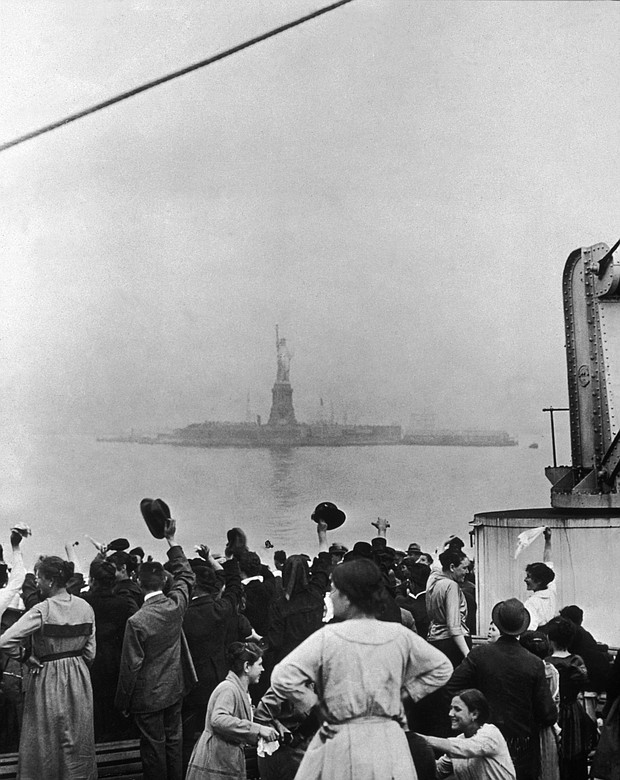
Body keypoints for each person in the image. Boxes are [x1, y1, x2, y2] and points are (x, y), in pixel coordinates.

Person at [269, 557, 453, 780]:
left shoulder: (328, 637)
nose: (331, 596)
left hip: (341, 735)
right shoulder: (398, 634)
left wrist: (315, 706)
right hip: (387, 736)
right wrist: (408, 694)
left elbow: (282, 676)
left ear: (347, 598)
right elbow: (442, 668)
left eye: (334, 590)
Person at [0, 555, 97, 779]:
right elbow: (90, 652)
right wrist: (76, 667)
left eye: (39, 578)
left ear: (51, 581)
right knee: (76, 739)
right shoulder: (85, 607)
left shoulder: (42, 610)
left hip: (47, 675)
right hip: (79, 677)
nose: (36, 582)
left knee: (46, 740)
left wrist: (24, 656)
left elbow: (5, 641)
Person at [115, 518, 197, 780]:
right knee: (174, 741)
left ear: (139, 584)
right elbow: (186, 575)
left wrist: (122, 702)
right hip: (175, 688)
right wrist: (171, 540)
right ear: (164, 581)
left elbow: (131, 666)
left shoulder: (137, 621)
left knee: (153, 748)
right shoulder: (176, 606)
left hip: (148, 698)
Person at [446, 598, 557, 780]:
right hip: (521, 743)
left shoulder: (479, 655)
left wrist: (474, 713)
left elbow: (452, 687)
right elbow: (547, 713)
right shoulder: (534, 663)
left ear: (497, 623)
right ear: (522, 627)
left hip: (482, 737)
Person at [182, 545, 243, 770]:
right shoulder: (222, 609)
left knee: (190, 735)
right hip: (219, 677)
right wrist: (212, 559)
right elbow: (234, 585)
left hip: (192, 681)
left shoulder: (182, 614)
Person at [185, 642, 279, 780]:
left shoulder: (241, 690)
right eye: (259, 664)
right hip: (214, 762)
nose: (263, 669)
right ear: (247, 666)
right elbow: (218, 719)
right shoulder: (228, 688)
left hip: (225, 760)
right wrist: (257, 729)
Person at [82, 558, 136, 742]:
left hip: (92, 660)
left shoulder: (86, 601)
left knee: (94, 707)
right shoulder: (123, 602)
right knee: (114, 709)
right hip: (116, 661)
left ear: (93, 580)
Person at [420, 688, 516, 779]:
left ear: (474, 714)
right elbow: (437, 772)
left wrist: (420, 739)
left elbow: (465, 748)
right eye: (451, 708)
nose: (450, 713)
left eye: (457, 709)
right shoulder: (459, 741)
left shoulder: (490, 733)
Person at [546, 617, 597, 780]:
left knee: (554, 756)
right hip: (574, 712)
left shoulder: (546, 663)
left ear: (550, 638)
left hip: (553, 712)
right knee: (575, 756)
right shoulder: (577, 661)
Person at [426, 548, 471, 666]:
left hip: (434, 641)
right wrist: (468, 656)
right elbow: (454, 627)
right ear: (452, 567)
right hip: (453, 646)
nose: (467, 572)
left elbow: (435, 569)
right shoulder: (451, 586)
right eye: (464, 568)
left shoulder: (433, 581)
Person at [523, 528, 556, 630]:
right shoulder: (551, 590)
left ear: (539, 581)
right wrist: (548, 540)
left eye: (529, 577)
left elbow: (530, 628)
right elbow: (548, 561)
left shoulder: (531, 603)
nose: (525, 580)